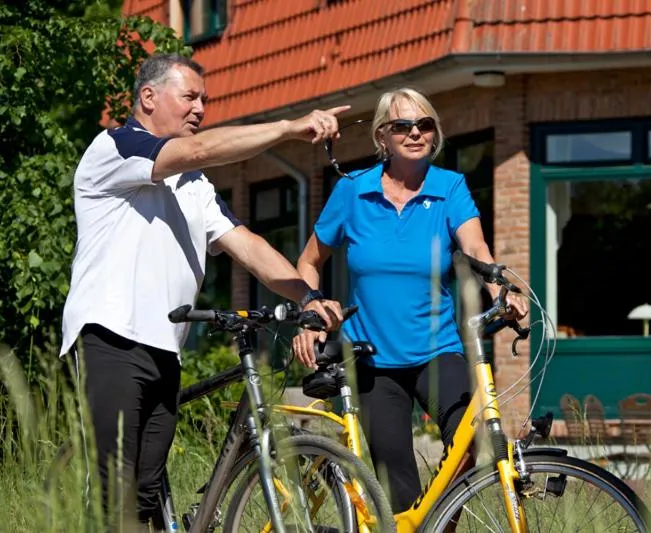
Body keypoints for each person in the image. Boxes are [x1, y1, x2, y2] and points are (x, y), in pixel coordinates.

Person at [59, 53, 347, 528]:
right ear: (148, 98)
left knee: (146, 498)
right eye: (190, 97)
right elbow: (198, 150)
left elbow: (248, 246)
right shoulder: (116, 148)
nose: (200, 109)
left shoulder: (193, 185)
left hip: (165, 350)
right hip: (108, 337)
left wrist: (307, 297)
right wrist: (287, 129)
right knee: (113, 495)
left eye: (205, 101)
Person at [292, 87, 528, 512]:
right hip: (372, 361)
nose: (415, 133)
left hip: (437, 350)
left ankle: (438, 521)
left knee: (474, 445)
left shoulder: (448, 187)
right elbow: (308, 261)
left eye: (425, 124)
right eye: (403, 125)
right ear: (382, 136)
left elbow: (476, 251)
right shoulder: (353, 191)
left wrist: (503, 291)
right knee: (398, 487)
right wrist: (311, 307)